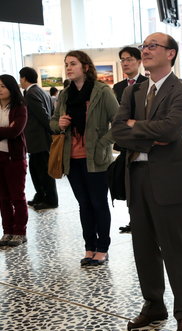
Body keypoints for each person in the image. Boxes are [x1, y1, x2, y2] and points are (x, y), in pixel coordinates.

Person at [111, 32, 182, 331]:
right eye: (144, 47)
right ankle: (153, 305)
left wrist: (137, 127)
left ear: (171, 54)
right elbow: (117, 132)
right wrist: (147, 133)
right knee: (144, 247)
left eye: (152, 46)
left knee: (176, 248)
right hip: (135, 176)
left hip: (170, 180)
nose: (145, 51)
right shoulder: (132, 91)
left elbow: (172, 128)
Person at [50, 50, 119, 266]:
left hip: (96, 159)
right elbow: (53, 122)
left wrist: (102, 144)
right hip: (72, 158)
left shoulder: (101, 91)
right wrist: (58, 124)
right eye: (66, 64)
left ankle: (103, 248)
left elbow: (118, 123)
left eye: (73, 64)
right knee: (84, 204)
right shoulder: (65, 94)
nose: (69, 68)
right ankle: (89, 247)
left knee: (99, 203)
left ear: (85, 67)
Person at [113, 46, 148, 234]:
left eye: (130, 59)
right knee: (129, 183)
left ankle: (144, 220)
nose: (126, 63)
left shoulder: (147, 82)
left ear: (139, 62)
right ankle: (133, 219)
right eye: (123, 60)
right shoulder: (118, 87)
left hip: (142, 138)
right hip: (125, 140)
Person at [19, 67, 58, 211]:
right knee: (36, 170)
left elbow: (43, 116)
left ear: (24, 78)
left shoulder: (31, 94)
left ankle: (51, 199)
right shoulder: (41, 91)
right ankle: (40, 195)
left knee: (44, 171)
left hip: (39, 139)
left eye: (20, 78)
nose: (20, 81)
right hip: (38, 140)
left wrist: (51, 132)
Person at [0, 75, 28, 247]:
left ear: (11, 88)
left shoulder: (20, 107)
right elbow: (8, 131)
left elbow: (15, 132)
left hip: (14, 158)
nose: (0, 89)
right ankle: (7, 231)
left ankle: (19, 232)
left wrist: (8, 131)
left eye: (3, 86)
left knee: (17, 197)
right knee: (2, 198)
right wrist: (5, 129)